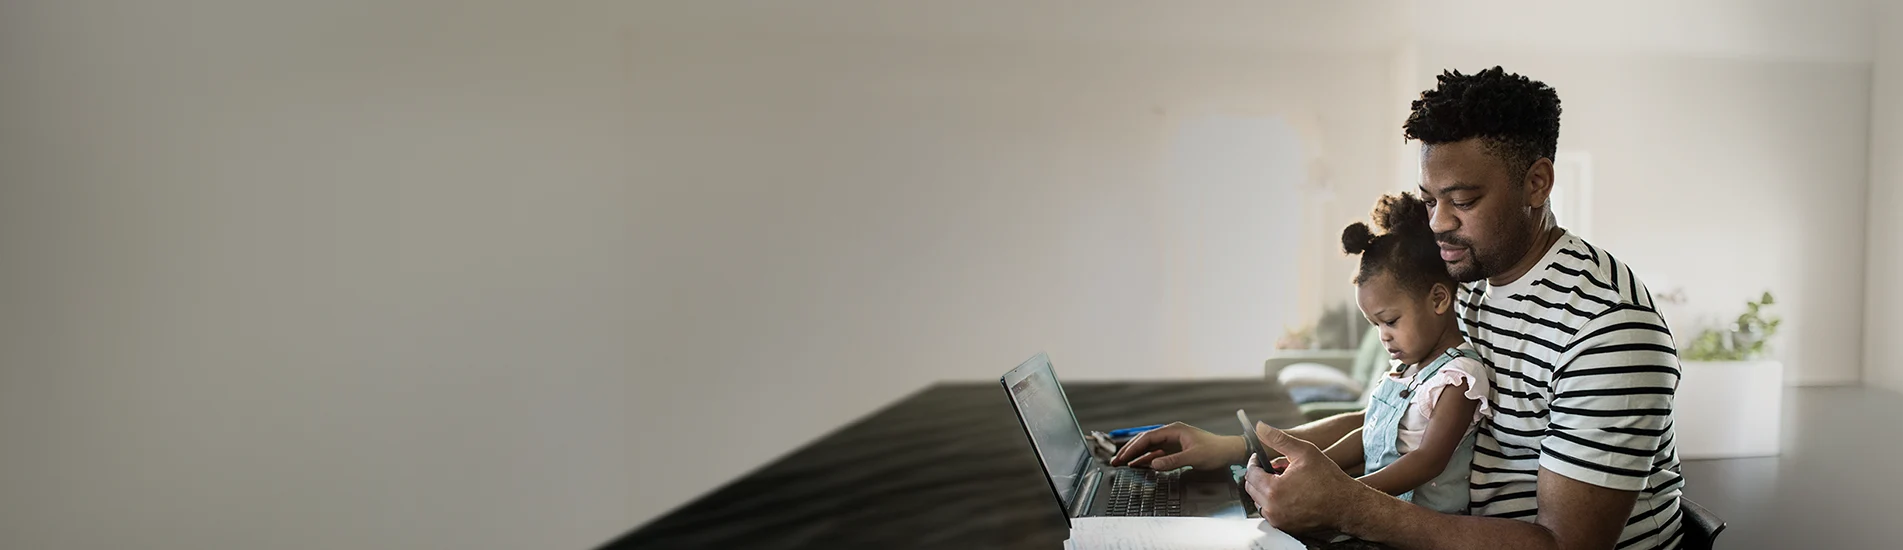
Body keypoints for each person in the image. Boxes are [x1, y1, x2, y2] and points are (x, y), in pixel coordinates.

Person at [1110, 66, 1685, 549]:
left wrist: (1348, 507)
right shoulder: (1471, 280)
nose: (1438, 223)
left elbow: (1564, 546)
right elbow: (1400, 418)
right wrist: (1235, 449)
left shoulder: (1607, 327)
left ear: (1537, 183)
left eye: (1462, 201)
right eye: (1432, 200)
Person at [1277, 192, 1492, 516]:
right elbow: (1369, 435)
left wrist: (1341, 492)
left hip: (1423, 526)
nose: (1384, 336)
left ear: (1438, 300)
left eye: (1390, 321)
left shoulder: (1460, 376)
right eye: (1375, 325)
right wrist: (1312, 467)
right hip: (1378, 513)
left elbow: (1427, 461)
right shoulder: (1405, 370)